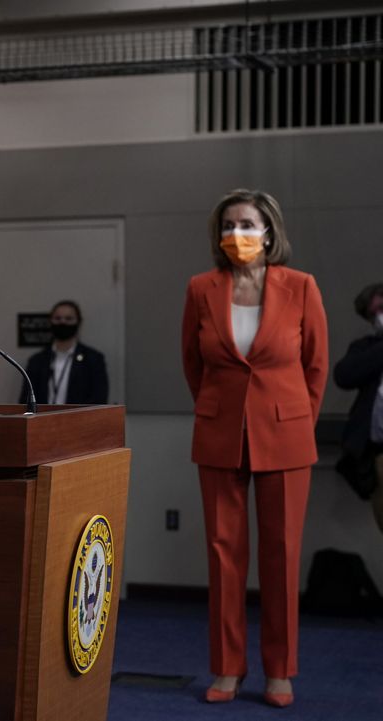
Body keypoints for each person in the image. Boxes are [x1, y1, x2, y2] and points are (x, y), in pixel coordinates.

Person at [180, 188, 328, 708]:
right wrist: (221, 411)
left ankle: (280, 671)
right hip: (220, 433)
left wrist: (293, 422)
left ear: (269, 232)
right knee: (224, 558)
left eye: (246, 224)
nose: (236, 234)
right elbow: (193, 366)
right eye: (228, 225)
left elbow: (315, 368)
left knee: (281, 557)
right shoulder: (202, 288)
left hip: (286, 436)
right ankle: (226, 668)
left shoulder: (301, 287)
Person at [333, 282, 383, 532]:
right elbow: (343, 376)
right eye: (373, 315)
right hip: (379, 456)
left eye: (382, 308)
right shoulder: (367, 348)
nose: (379, 317)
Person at [18, 300, 109, 405]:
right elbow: (25, 400)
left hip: (79, 419)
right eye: (58, 318)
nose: (63, 322)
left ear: (78, 322)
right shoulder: (37, 361)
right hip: (43, 419)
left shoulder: (93, 359)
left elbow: (99, 399)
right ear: (50, 321)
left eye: (69, 319)